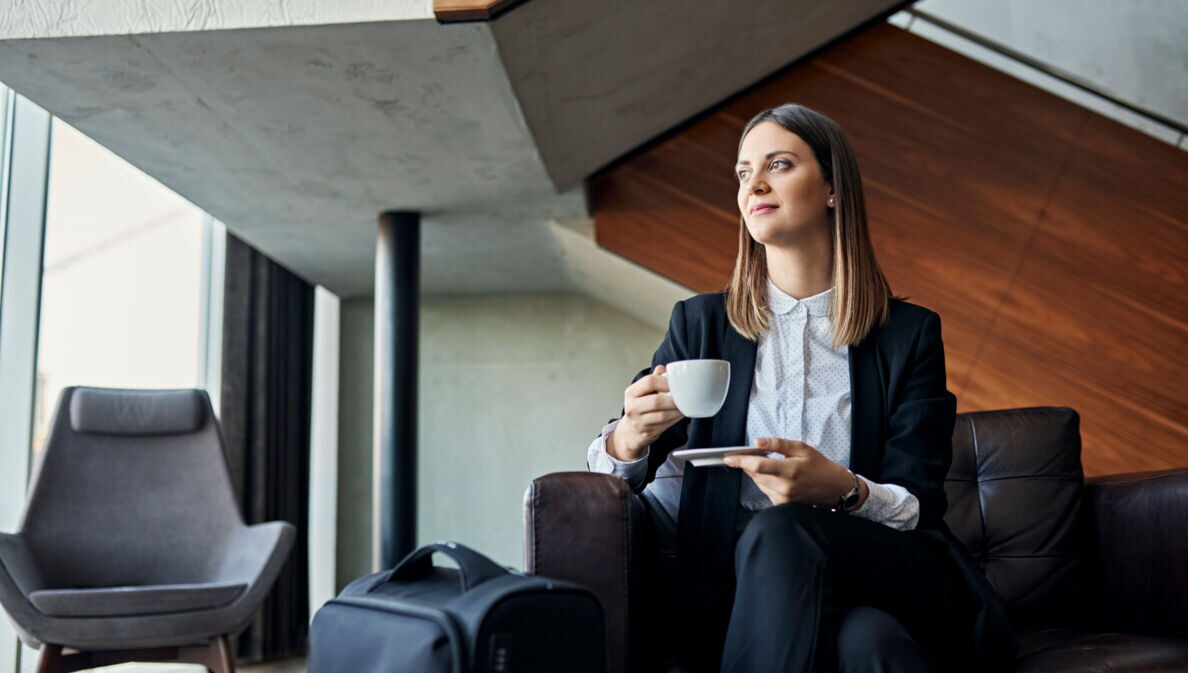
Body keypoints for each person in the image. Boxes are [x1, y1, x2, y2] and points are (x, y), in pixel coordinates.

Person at [587, 103, 1014, 673]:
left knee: (786, 529)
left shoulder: (908, 335)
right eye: (742, 173)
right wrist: (628, 438)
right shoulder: (700, 324)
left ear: (833, 188)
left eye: (779, 164)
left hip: (890, 568)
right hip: (747, 586)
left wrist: (843, 491)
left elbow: (919, 504)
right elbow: (609, 480)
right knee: (868, 645)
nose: (753, 184)